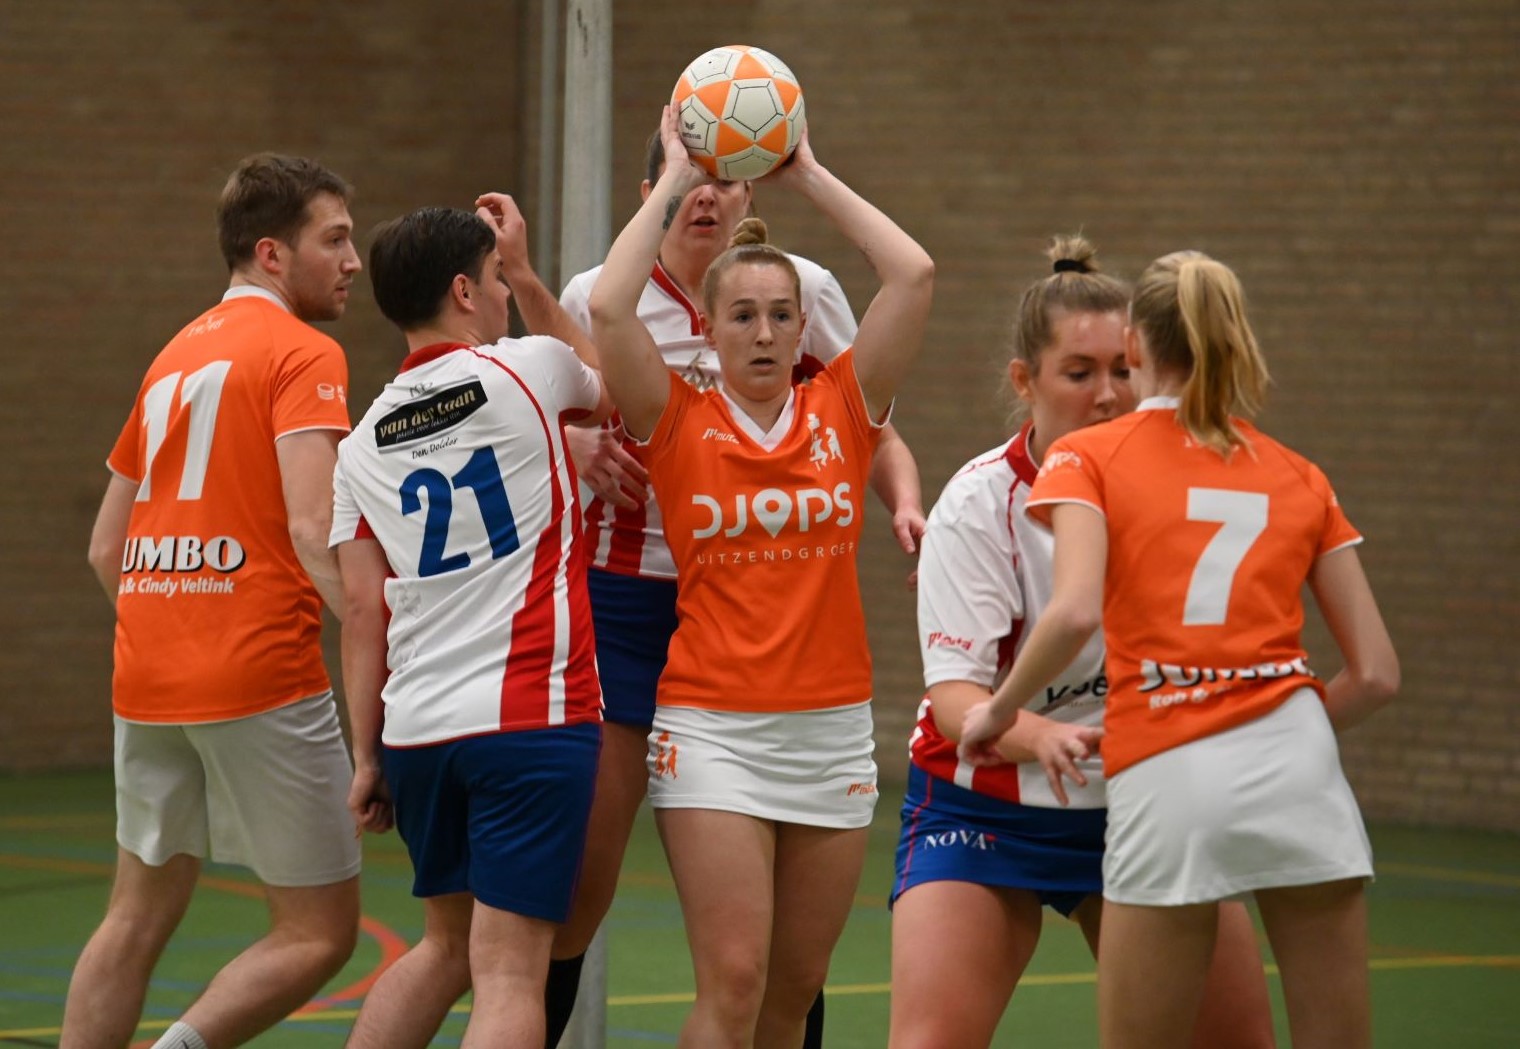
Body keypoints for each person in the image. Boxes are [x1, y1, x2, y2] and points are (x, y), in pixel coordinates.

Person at [961, 249, 1400, 1049]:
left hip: (1170, 766)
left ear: (1134, 344)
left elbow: (1072, 613)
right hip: (1303, 769)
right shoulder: (1300, 474)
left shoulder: (1089, 454)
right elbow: (1376, 674)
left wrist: (997, 710)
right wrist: (1272, 721)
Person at [547, 127, 926, 1046]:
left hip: (830, 730)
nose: (763, 331)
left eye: (780, 316)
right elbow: (609, 306)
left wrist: (809, 174)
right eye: (743, 316)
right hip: (712, 720)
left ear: (805, 328)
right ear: (708, 334)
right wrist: (677, 176)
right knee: (734, 979)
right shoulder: (679, 420)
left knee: (791, 994)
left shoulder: (844, 406)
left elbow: (913, 274)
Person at [888, 237, 1275, 1049]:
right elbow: (956, 702)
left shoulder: (1191, 488)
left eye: (1123, 369)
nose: (1107, 394)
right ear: (1024, 381)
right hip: (986, 805)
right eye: (1079, 372)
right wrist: (1037, 733)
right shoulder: (978, 505)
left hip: (1141, 802)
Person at [65, 154, 364, 1049]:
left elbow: (106, 546)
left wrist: (174, 621)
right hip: (257, 673)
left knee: (134, 914)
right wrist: (382, 644)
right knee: (319, 930)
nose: (353, 261)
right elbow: (312, 526)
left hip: (146, 677)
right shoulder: (303, 351)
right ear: (272, 253)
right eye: (335, 240)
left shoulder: (173, 356)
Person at [333, 196, 612, 1048]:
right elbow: (613, 383)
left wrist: (367, 755)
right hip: (530, 714)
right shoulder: (528, 367)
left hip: (418, 730)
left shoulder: (359, 443)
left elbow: (362, 608)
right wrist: (531, 274)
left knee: (444, 948)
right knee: (510, 972)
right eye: (495, 280)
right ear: (465, 289)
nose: (502, 297)